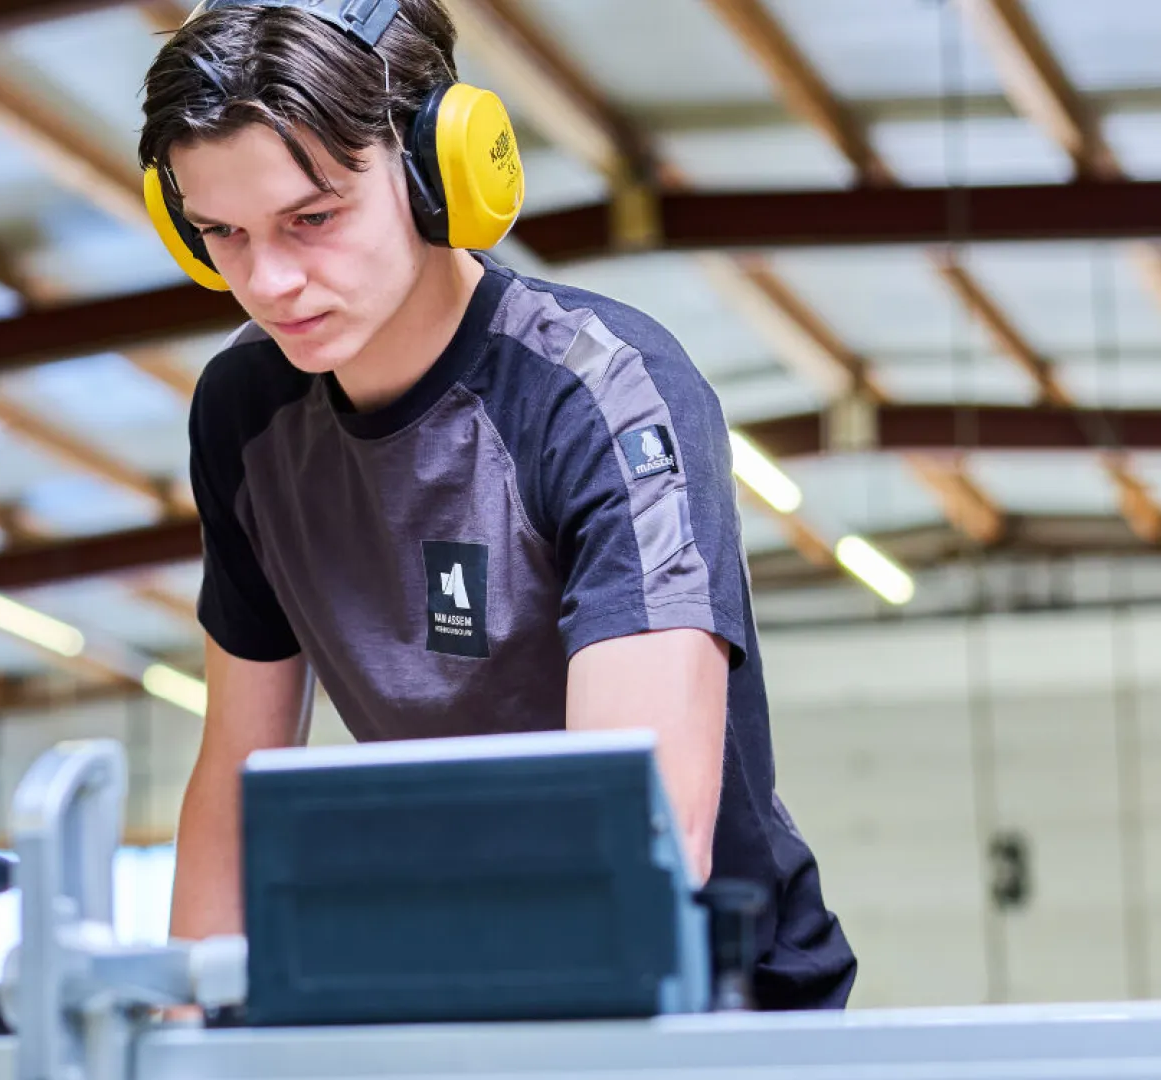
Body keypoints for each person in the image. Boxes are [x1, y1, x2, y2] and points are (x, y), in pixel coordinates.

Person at [141, 0, 857, 1008]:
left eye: (314, 219)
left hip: (712, 1002)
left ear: (438, 171)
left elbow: (645, 838)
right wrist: (183, 1034)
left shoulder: (600, 395)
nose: (270, 281)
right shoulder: (244, 415)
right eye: (223, 233)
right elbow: (235, 772)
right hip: (459, 981)